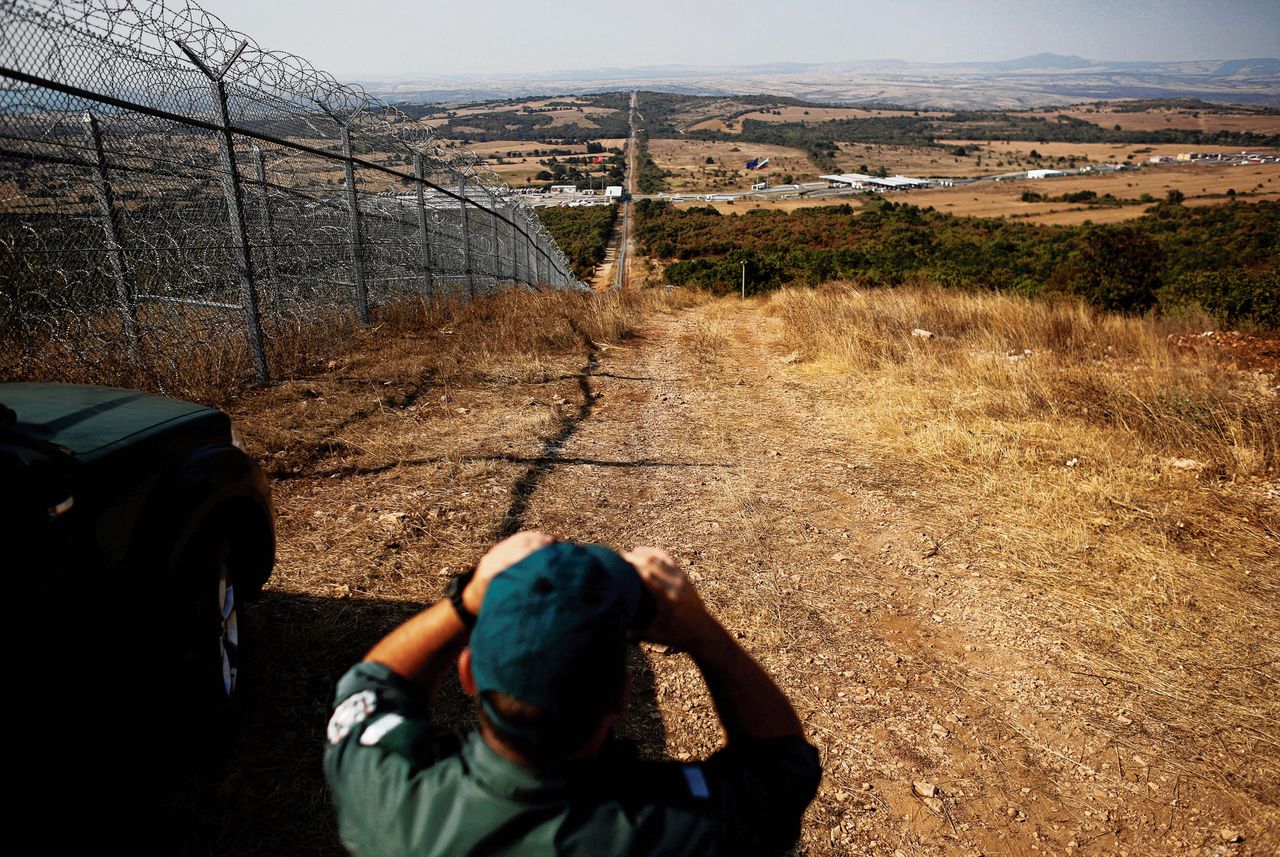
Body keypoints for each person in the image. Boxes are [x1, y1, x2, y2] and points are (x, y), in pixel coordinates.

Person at [324, 531, 821, 856]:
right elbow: (783, 768)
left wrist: (467, 598)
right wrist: (703, 634)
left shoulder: (389, 794)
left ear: (469, 675)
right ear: (622, 697)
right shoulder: (695, 832)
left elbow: (368, 688)